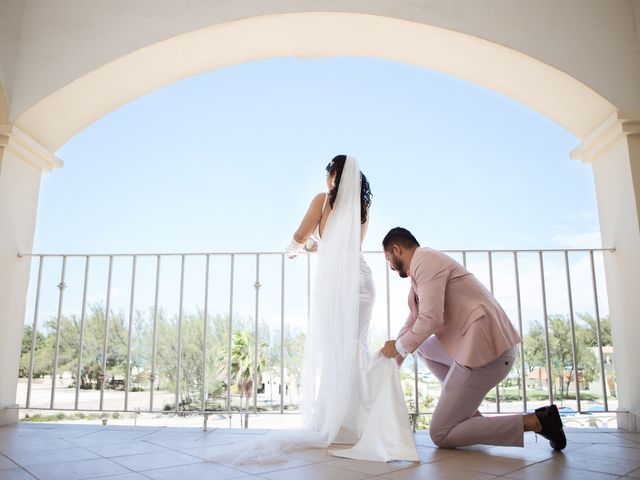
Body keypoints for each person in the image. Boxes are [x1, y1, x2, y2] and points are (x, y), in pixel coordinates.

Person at [380, 227, 567, 451]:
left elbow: (430, 318)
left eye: (388, 259)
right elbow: (413, 323)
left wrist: (399, 346)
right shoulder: (422, 271)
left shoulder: (426, 262)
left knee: (440, 434)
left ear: (396, 250)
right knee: (423, 348)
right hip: (473, 349)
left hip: (486, 351)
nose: (390, 267)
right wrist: (391, 362)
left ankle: (536, 422)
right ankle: (467, 414)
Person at [284, 155, 418, 462]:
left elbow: (301, 235)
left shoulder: (322, 200)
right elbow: (340, 246)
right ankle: (359, 421)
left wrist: (291, 251)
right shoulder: (361, 207)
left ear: (333, 175)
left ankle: (339, 421)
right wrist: (314, 248)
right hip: (362, 281)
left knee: (335, 349)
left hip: (339, 284)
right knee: (354, 347)